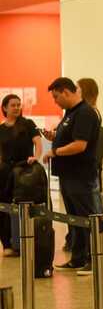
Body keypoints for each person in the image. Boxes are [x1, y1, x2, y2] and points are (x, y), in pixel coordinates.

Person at [42, 78, 103, 276]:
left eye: (56, 97)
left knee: (86, 219)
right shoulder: (71, 113)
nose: (55, 101)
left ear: (66, 92)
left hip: (81, 176)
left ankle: (93, 261)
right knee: (74, 220)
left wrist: (56, 151)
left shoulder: (85, 113)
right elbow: (70, 137)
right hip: (68, 176)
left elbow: (80, 145)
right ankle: (78, 258)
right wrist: (55, 137)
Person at [0, 94, 43, 256]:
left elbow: (38, 143)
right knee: (3, 208)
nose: (17, 107)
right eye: (13, 105)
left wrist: (36, 157)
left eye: (19, 105)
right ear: (5, 108)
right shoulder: (1, 129)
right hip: (4, 173)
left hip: (25, 171)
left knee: (23, 207)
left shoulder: (28, 124)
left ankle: (23, 243)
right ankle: (7, 244)